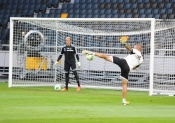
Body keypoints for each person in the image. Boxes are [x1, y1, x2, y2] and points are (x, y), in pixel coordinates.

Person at [82, 38, 143, 105]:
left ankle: (92, 53)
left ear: (137, 48)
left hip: (123, 62)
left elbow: (129, 48)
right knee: (124, 84)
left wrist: (124, 43)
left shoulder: (136, 51)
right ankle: (124, 101)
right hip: (127, 68)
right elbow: (134, 68)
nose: (134, 47)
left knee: (106, 57)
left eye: (135, 46)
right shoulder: (141, 60)